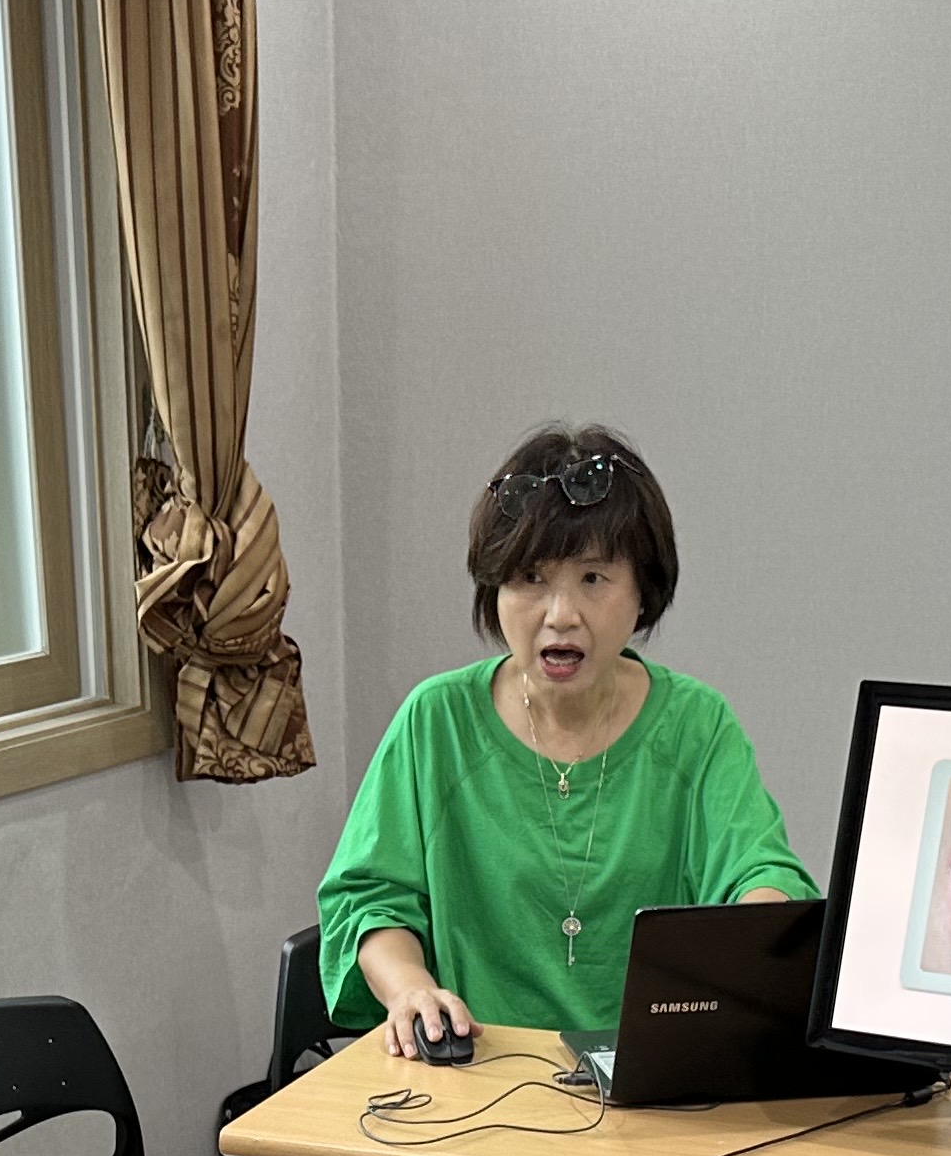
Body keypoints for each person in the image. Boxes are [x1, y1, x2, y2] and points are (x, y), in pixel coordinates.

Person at [314, 422, 817, 1062]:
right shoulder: (436, 722)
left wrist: (759, 932)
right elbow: (370, 899)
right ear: (495, 588)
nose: (560, 614)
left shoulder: (697, 725)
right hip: (480, 1072)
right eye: (530, 578)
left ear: (643, 591)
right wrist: (410, 988)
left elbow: (761, 873)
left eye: (593, 578)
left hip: (656, 1076)